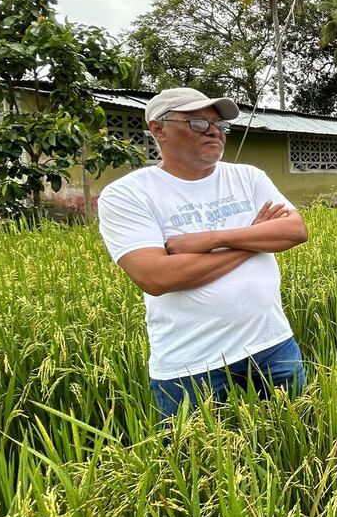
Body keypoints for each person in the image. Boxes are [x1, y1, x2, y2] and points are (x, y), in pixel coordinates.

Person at [97, 87, 309, 420]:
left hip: (273, 344)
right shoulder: (128, 194)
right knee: (202, 466)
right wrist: (254, 239)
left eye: (219, 126)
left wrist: (207, 239)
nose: (213, 131)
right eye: (197, 122)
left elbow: (295, 231)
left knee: (299, 441)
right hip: (192, 365)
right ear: (158, 128)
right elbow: (157, 276)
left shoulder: (249, 178)